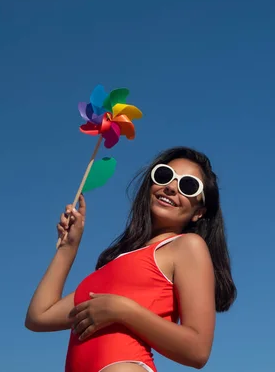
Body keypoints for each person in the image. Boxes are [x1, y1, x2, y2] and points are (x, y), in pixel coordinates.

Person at [25, 146, 237, 372]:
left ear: (199, 212)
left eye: (188, 186)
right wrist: (68, 248)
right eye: (164, 175)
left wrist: (123, 310)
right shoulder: (116, 262)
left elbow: (198, 351)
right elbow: (39, 317)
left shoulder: (187, 246)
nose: (171, 188)